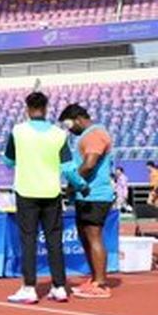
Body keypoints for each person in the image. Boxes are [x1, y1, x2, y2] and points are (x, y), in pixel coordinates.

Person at [3, 91, 73, 304]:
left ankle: (29, 287)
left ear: (27, 108)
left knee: (28, 240)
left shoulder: (18, 131)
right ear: (46, 108)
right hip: (51, 192)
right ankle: (59, 286)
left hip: (26, 191)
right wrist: (79, 185)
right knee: (54, 240)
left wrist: (24, 162)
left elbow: (8, 160)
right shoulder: (59, 134)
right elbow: (68, 167)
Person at [58, 104, 115, 299]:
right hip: (86, 195)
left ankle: (100, 282)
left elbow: (89, 163)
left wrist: (73, 184)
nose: (70, 130)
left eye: (69, 124)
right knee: (85, 236)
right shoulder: (88, 135)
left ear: (79, 119)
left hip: (95, 194)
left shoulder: (94, 134)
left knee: (93, 236)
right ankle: (94, 278)